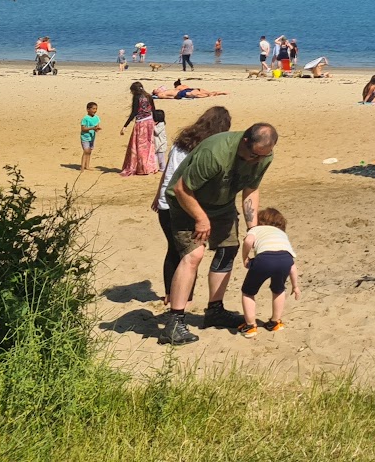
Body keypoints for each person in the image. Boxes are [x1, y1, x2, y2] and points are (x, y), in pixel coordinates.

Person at [163, 121, 277, 344]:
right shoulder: (215, 153)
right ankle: (174, 322)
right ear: (245, 141)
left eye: (263, 156)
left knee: (228, 249)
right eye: (254, 155)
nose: (257, 161)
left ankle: (215, 311)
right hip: (187, 203)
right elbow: (181, 189)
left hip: (222, 206)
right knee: (194, 255)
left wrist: (253, 229)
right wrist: (201, 218)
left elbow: (251, 189)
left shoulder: (263, 156)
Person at [152, 106, 231, 305]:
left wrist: (158, 195)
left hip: (165, 201)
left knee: (173, 249)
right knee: (189, 254)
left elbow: (169, 171)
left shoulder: (182, 141)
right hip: (181, 203)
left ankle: (170, 294)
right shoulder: (207, 148)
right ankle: (183, 296)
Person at [239, 207, 299, 337]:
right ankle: (275, 322)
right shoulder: (282, 234)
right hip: (285, 259)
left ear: (259, 220)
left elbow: (248, 241)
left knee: (248, 292)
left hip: (264, 259)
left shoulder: (256, 229)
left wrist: (245, 257)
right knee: (279, 289)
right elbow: (292, 266)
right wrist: (295, 286)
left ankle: (250, 326)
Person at [119, 81, 159, 175]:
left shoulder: (137, 97)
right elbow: (153, 109)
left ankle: (142, 168)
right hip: (149, 122)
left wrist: (125, 125)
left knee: (140, 147)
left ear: (134, 91)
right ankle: (149, 167)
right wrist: (156, 120)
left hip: (141, 124)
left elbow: (134, 113)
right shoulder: (149, 96)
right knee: (149, 146)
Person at [79, 101, 101, 172]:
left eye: (96, 109)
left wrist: (97, 129)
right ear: (88, 109)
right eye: (93, 109)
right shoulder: (85, 118)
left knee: (89, 151)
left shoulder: (97, 118)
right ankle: (82, 167)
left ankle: (87, 166)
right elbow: (83, 128)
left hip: (92, 137)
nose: (95, 110)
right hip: (85, 137)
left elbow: (97, 126)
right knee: (86, 151)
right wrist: (92, 128)